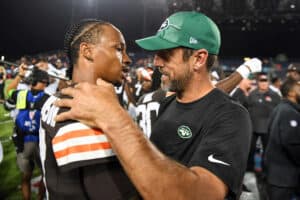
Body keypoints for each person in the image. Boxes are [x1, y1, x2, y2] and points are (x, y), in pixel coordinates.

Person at [55, 11, 253, 199]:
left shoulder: (231, 115)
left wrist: (115, 118)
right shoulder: (166, 105)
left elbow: (201, 194)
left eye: (165, 54)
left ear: (199, 59)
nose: (156, 62)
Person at [39, 19, 137, 199]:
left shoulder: (60, 99)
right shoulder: (82, 112)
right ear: (87, 51)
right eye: (118, 49)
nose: (127, 59)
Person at [4, 65, 48, 200]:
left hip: (23, 143)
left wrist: (20, 76)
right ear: (40, 82)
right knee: (45, 177)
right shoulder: (47, 98)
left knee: (26, 176)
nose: (46, 85)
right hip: (40, 143)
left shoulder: (21, 95)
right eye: (44, 82)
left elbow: (9, 90)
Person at [264, 79, 300, 200]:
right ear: (291, 93)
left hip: (277, 174)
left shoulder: (281, 108)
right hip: (284, 176)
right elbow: (291, 144)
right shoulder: (289, 112)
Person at [246, 72, 281, 173]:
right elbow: (247, 108)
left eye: (265, 80)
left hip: (268, 127)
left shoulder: (275, 96)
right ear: (258, 82)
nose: (263, 83)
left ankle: (266, 170)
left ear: (269, 82)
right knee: (250, 150)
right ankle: (249, 170)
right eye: (261, 80)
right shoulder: (252, 94)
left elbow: (279, 110)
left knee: (268, 151)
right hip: (253, 126)